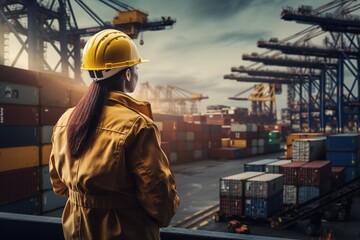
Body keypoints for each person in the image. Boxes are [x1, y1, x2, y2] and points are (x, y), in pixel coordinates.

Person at [49, 29, 180, 240]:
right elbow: (160, 204)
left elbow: (58, 184)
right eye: (136, 67)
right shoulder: (138, 126)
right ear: (128, 73)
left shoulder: (65, 121)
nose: (136, 72)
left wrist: (90, 201)